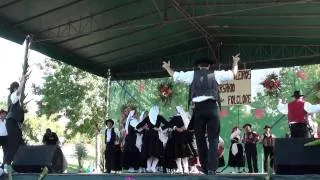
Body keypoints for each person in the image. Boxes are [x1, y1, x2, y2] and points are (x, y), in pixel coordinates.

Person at [162, 54, 240, 175]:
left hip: (199, 109)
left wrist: (167, 67)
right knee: (214, 139)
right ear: (209, 66)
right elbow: (233, 74)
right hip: (212, 108)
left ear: (198, 66)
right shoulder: (216, 74)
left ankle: (204, 167)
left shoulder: (192, 75)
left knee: (200, 139)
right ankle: (212, 168)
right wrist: (235, 62)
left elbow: (175, 75)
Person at [5, 75, 28, 165]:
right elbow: (19, 91)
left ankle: (22, 163)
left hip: (14, 124)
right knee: (13, 144)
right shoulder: (13, 95)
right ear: (15, 88)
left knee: (21, 143)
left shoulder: (13, 99)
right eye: (17, 88)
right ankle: (7, 165)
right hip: (11, 123)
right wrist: (23, 81)